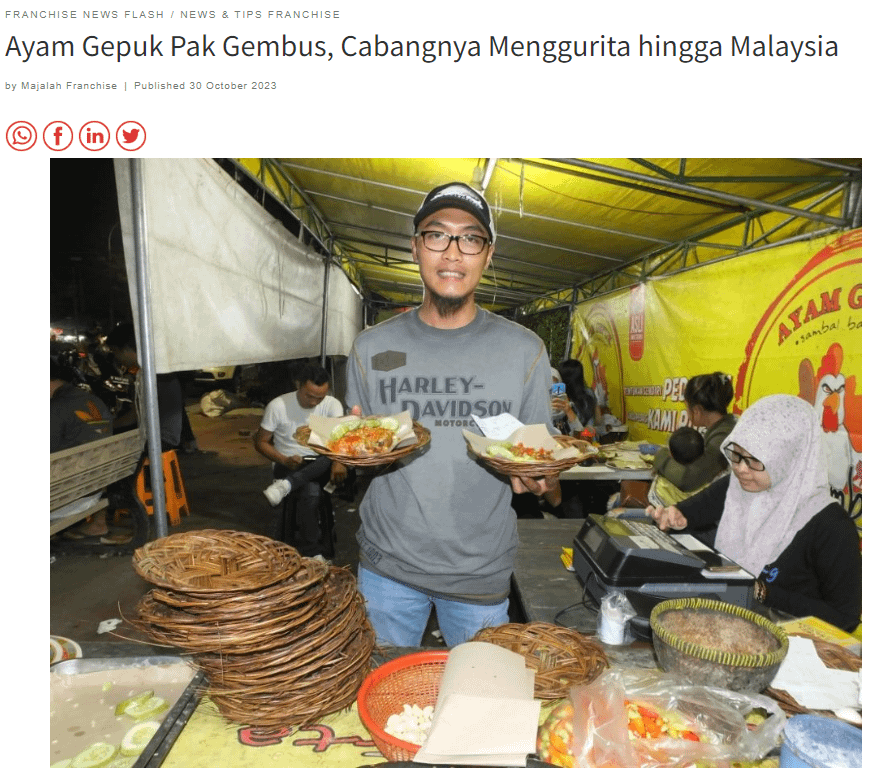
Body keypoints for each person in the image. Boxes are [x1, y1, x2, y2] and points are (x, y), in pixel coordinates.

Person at [345, 181, 560, 648]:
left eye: (470, 238)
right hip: (387, 569)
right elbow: (352, 455)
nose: (452, 253)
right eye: (437, 235)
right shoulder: (371, 347)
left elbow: (542, 461)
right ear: (416, 246)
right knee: (380, 694)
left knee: (479, 703)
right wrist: (349, 450)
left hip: (479, 573)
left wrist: (542, 477)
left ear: (488, 254)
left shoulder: (524, 350)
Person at [647, 394, 861, 632]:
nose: (739, 468)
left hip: (790, 642)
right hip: (727, 622)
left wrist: (762, 591)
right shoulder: (736, 488)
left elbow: (845, 617)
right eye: (736, 455)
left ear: (789, 460)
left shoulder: (830, 525)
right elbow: (688, 515)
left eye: (754, 461)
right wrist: (673, 518)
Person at [253, 361, 347, 559]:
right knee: (311, 491)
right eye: (309, 396)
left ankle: (285, 486)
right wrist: (284, 459)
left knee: (326, 458)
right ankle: (314, 553)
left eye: (319, 398)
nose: (314, 403)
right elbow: (260, 442)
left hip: (323, 463)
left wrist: (339, 462)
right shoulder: (278, 406)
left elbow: (339, 442)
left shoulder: (332, 404)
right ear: (298, 385)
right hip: (288, 463)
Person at [51, 357, 117, 541]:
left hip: (65, 499)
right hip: (95, 493)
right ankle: (99, 522)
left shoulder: (55, 408)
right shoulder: (94, 400)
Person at [104, 322, 185, 452]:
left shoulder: (151, 375)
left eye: (115, 352)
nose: (116, 358)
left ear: (126, 350)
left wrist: (107, 427)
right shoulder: (155, 369)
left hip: (159, 439)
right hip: (162, 436)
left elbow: (135, 416)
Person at [652, 372, 736, 493]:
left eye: (687, 406)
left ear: (696, 410)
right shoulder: (724, 427)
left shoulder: (722, 437)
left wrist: (661, 456)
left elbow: (686, 479)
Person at [648, 426, 708, 507]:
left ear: (671, 454)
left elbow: (661, 456)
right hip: (691, 510)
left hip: (661, 503)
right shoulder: (707, 473)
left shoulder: (666, 466)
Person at [553, 358, 599, 436]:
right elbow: (598, 420)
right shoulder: (590, 393)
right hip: (589, 438)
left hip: (569, 439)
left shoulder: (561, 397)